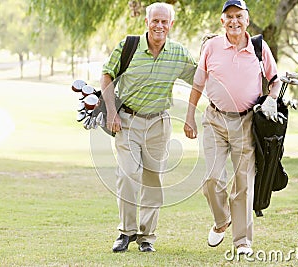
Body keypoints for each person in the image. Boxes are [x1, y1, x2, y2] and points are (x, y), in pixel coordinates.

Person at [184, 0, 281, 255]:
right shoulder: (211, 46)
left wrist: (271, 99)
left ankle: (242, 242)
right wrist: (189, 116)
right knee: (213, 179)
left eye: (239, 16)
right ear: (222, 21)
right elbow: (197, 84)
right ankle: (221, 221)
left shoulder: (259, 47)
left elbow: (275, 80)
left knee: (243, 184)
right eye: (229, 16)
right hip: (215, 119)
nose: (234, 21)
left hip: (246, 122)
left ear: (247, 20)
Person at [100, 2, 196, 253]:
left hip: (158, 124)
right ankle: (126, 232)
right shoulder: (128, 46)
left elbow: (200, 78)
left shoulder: (178, 53)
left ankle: (147, 237)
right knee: (127, 174)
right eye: (155, 21)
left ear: (171, 25)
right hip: (128, 121)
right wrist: (111, 112)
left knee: (153, 179)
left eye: (165, 22)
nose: (160, 26)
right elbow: (107, 75)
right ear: (146, 22)